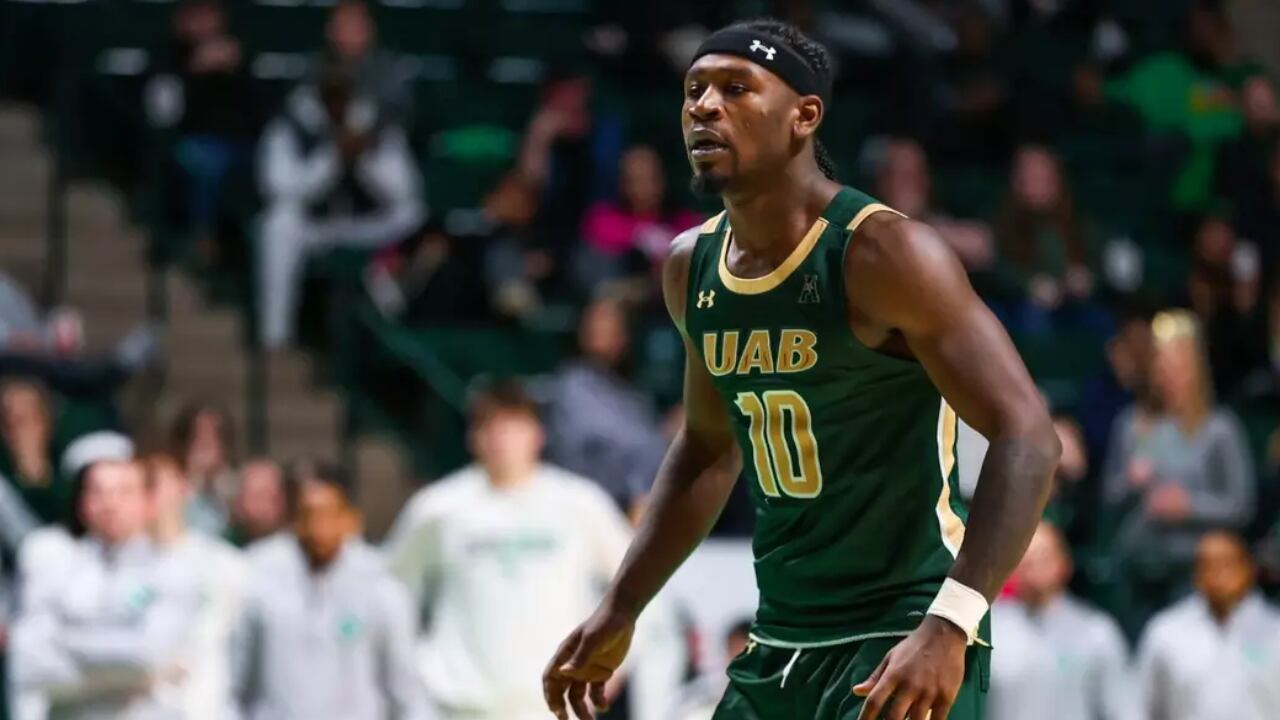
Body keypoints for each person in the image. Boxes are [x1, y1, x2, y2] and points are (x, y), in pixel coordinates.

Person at [543, 19, 1060, 720]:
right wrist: (621, 605)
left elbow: (1029, 434)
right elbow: (708, 449)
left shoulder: (883, 253)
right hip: (782, 633)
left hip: (904, 625)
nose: (704, 106)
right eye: (694, 91)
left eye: (735, 88)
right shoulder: (690, 266)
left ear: (804, 116)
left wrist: (952, 622)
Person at [384, 382, 638, 720]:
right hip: (459, 706)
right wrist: (414, 669)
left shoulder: (580, 503)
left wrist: (616, 664)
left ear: (537, 435)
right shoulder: (438, 508)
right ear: (473, 437)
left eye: (514, 426)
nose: (502, 440)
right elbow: (389, 591)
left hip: (555, 706)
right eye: (491, 427)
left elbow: (636, 583)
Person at [232, 460, 431, 720]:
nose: (317, 527)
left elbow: (405, 688)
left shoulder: (379, 585)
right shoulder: (257, 576)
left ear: (349, 519)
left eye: (327, 514)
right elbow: (234, 680)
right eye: (307, 515)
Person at [8, 458, 202, 720]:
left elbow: (148, 657)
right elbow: (29, 663)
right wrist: (124, 666)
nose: (110, 504)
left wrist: (65, 642)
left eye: (124, 492)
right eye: (98, 492)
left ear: (147, 502)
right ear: (83, 504)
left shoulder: (172, 569)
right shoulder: (55, 564)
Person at [256, 56, 423, 349]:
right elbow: (280, 189)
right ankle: (275, 336)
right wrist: (332, 157)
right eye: (332, 93)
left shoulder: (374, 122)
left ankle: (402, 325)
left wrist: (366, 160)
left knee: (412, 213)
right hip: (312, 226)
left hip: (363, 224)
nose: (339, 101)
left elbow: (405, 190)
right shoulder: (291, 124)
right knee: (277, 223)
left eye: (345, 92)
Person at [1104, 310, 1255, 631]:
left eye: (1178, 367)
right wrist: (1130, 482)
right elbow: (1108, 498)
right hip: (1139, 565)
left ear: (1195, 371)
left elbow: (1241, 505)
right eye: (1162, 367)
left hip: (1194, 568)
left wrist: (1190, 506)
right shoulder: (1131, 425)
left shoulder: (1219, 428)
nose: (1168, 377)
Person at [987, 522, 1136, 720]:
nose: (1034, 567)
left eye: (1043, 557)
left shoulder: (1096, 632)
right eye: (1025, 559)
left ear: (1064, 563)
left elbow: (1122, 709)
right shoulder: (990, 630)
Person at [544, 297, 668, 522]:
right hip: (587, 503)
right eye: (594, 325)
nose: (600, 331)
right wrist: (666, 434)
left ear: (624, 336)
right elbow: (631, 443)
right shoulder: (573, 381)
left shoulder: (630, 391)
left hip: (634, 501)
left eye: (609, 325)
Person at [144, 452, 247, 720]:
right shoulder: (119, 568)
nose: (149, 493)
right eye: (142, 484)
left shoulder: (227, 564)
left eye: (154, 482)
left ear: (184, 487)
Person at [1136, 530, 1280, 720]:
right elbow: (1140, 708)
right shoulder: (1166, 632)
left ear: (1249, 568)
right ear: (1195, 574)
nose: (1218, 574)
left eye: (1227, 563)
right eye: (1207, 565)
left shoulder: (1275, 630)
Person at [991, 144, 1106, 336]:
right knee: (1032, 317)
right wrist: (1029, 284)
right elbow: (997, 267)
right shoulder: (1002, 224)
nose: (1037, 184)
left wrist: (1086, 277)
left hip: (1074, 303)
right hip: (1022, 306)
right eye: (1030, 177)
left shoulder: (1079, 222)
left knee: (1100, 319)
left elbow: (1100, 263)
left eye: (1044, 177)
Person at [578, 145, 701, 301]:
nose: (642, 187)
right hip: (623, 297)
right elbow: (600, 230)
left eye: (649, 178)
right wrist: (643, 235)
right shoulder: (604, 218)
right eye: (635, 180)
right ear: (622, 183)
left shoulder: (683, 221)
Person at [170, 400, 238, 534]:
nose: (206, 444)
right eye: (198, 436)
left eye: (213, 436)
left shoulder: (235, 489)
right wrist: (196, 476)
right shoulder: (170, 485)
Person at [225, 457, 287, 547]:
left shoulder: (301, 545)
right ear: (239, 502)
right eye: (257, 497)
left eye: (270, 496)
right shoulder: (224, 547)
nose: (263, 506)